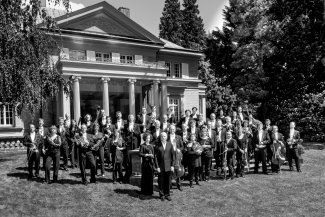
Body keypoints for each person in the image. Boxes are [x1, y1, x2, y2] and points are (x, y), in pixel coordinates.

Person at [154, 132, 175, 201]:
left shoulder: (170, 144)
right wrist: (157, 167)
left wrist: (172, 165)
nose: (163, 138)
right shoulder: (157, 145)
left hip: (168, 166)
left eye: (165, 136)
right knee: (161, 181)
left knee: (168, 181)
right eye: (162, 136)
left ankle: (167, 194)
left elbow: (173, 156)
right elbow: (155, 157)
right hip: (161, 166)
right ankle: (162, 195)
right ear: (160, 137)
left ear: (167, 137)